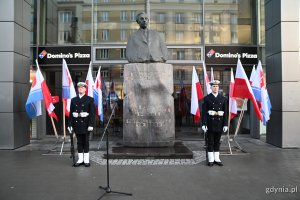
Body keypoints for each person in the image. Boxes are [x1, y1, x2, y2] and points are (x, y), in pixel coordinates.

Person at [68, 82, 95, 167]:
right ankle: (80, 159)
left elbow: (92, 113)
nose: (80, 89)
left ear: (85, 89)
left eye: (82, 87)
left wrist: (91, 124)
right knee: (79, 142)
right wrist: (70, 125)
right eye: (79, 87)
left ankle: (86, 160)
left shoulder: (90, 99)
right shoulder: (73, 100)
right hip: (77, 125)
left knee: (86, 142)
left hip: (86, 125)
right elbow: (71, 114)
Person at [201, 80, 228, 167]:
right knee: (210, 142)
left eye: (217, 86)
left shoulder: (223, 99)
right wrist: (204, 124)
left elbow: (226, 113)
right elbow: (204, 112)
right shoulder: (207, 98)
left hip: (219, 123)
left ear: (218, 87)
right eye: (214, 86)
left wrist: (225, 124)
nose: (215, 88)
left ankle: (217, 158)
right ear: (211, 87)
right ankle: (211, 159)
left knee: (217, 141)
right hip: (210, 123)